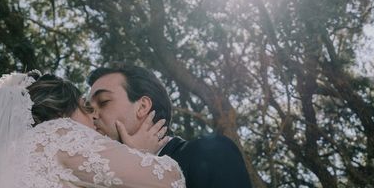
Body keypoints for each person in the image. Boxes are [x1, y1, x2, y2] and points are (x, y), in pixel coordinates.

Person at [0, 71, 185, 188]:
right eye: (85, 107)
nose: (93, 119)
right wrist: (139, 154)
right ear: (60, 112)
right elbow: (171, 181)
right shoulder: (57, 135)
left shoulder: (2, 160)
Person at [87, 64, 252, 188]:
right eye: (88, 108)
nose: (92, 115)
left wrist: (142, 167)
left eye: (103, 102)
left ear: (142, 107)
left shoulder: (210, 153)